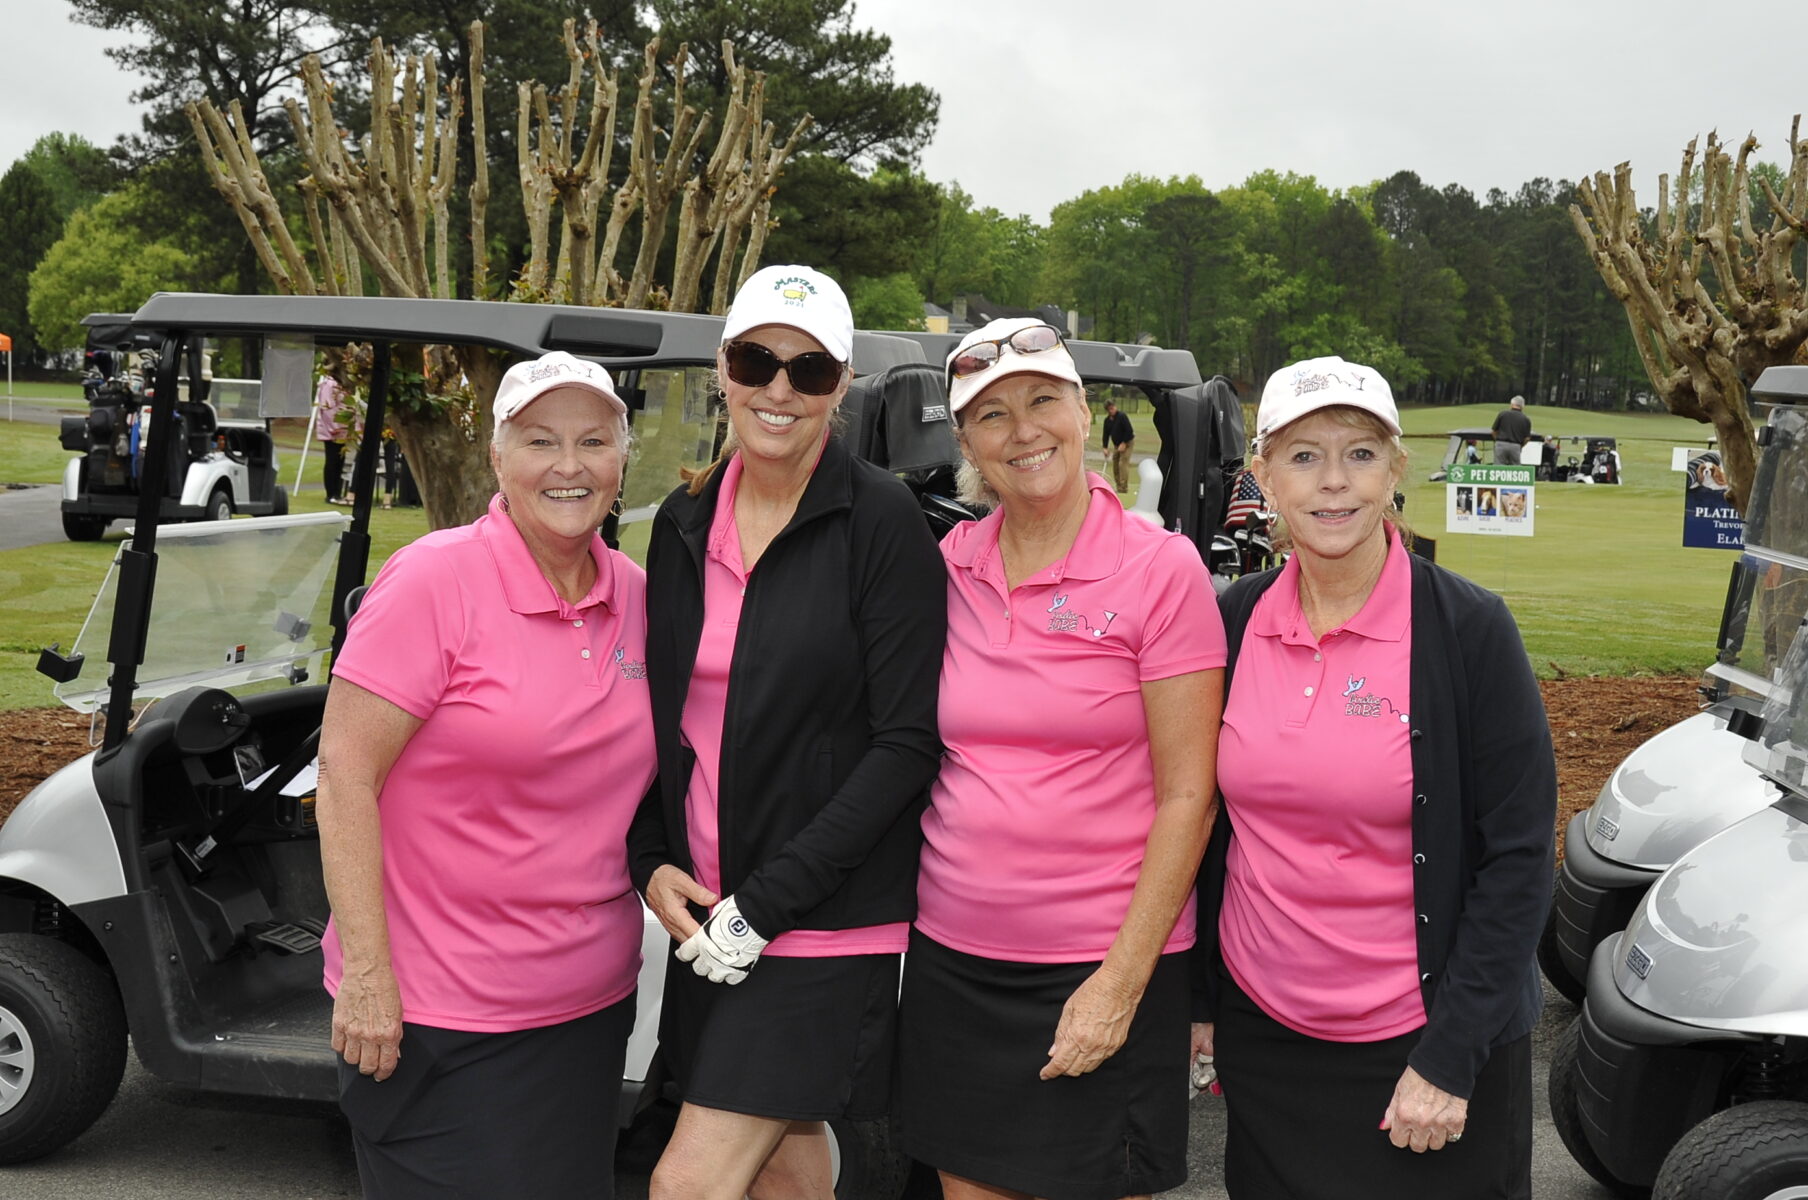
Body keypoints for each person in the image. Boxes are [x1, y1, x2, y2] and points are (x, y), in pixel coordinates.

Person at [1194, 355, 1555, 1199]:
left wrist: (1451, 1056)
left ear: (1395, 470)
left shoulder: (1469, 630)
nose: (1334, 482)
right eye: (1304, 456)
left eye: (1360, 454)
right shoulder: (1231, 621)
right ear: (1263, 477)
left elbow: (1517, 858)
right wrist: (1202, 1000)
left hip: (1426, 1051)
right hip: (1267, 1042)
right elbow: (1206, 826)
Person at [629, 264, 945, 1199]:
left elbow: (906, 743)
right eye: (756, 362)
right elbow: (666, 720)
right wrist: (651, 859)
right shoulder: (684, 521)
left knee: (688, 1183)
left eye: (809, 370)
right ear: (723, 370)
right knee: (784, 1174)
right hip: (710, 914)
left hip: (820, 922)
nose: (779, 389)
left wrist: (767, 905)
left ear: (841, 387)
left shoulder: (881, 519)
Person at [896, 316, 1225, 1200]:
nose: (1023, 431)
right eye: (992, 415)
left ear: (1085, 413)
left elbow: (1190, 797)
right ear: (966, 443)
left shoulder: (1161, 570)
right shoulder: (948, 566)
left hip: (1103, 961)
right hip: (955, 960)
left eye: (1043, 400)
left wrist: (1120, 984)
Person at [316, 350, 654, 1198]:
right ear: (498, 457)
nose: (570, 465)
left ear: (622, 460)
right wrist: (367, 975)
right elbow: (344, 776)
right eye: (541, 441)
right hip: (440, 1021)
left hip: (588, 1011)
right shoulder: (435, 579)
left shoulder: (641, 597)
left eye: (593, 441)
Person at [316, 372, 352, 505]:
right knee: (332, 460)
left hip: (343, 428)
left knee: (340, 460)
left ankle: (337, 492)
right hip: (332, 429)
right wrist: (334, 427)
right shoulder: (330, 384)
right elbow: (327, 408)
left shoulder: (342, 384)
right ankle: (331, 493)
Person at [1102, 399, 1136, 492]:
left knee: (1122, 463)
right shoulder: (1107, 421)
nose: (1112, 410)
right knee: (1115, 464)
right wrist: (1105, 447)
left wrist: (1124, 443)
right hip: (1117, 445)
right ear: (1107, 410)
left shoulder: (1122, 416)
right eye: (1110, 409)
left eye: (1113, 407)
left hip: (1127, 442)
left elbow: (1129, 430)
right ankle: (1118, 486)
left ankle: (1123, 488)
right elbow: (1106, 435)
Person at [1491, 395, 1531, 464]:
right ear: (1522, 406)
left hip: (1501, 444)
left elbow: (1494, 431)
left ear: (1512, 404)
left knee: (1499, 467)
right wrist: (1520, 446)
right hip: (1516, 446)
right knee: (1515, 469)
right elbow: (1527, 438)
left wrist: (1497, 441)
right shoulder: (1526, 419)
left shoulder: (1503, 414)